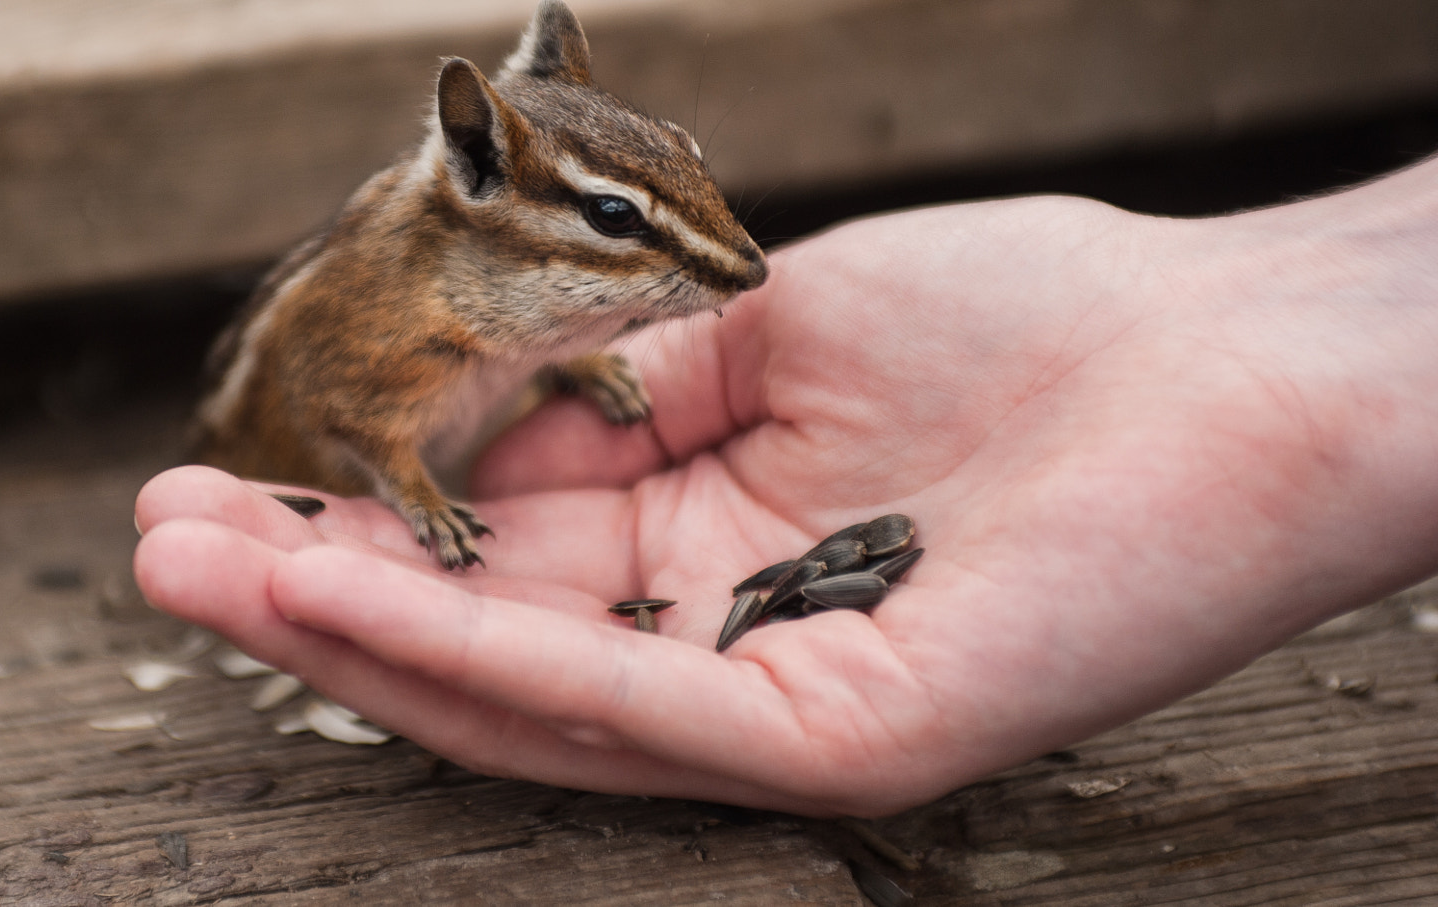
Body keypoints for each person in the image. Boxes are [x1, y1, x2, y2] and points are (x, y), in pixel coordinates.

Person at [132, 158, 1438, 816]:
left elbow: (528, 338)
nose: (733, 273)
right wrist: (420, 499)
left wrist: (575, 370)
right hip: (317, 463)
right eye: (620, 229)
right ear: (478, 183)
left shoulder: (518, 305)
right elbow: (367, 413)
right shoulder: (400, 310)